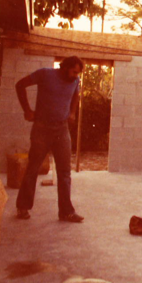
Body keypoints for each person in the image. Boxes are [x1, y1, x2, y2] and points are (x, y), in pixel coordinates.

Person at [15, 56, 85, 223]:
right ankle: (23, 207)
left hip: (62, 129)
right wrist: (27, 110)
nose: (76, 75)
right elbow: (20, 85)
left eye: (78, 73)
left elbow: (76, 95)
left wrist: (73, 112)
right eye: (74, 71)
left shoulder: (75, 81)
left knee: (65, 172)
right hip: (42, 128)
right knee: (33, 168)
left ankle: (66, 212)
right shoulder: (45, 74)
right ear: (65, 67)